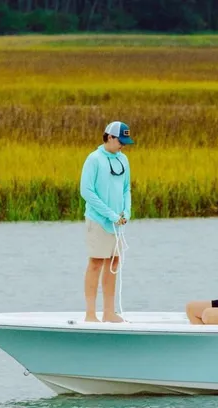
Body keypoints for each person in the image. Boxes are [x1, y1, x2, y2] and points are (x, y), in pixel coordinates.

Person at [80, 121, 133, 323]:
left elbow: (126, 188)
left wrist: (126, 211)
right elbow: (86, 191)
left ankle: (109, 312)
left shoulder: (123, 159)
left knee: (114, 262)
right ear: (110, 137)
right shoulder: (94, 159)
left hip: (117, 223)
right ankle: (90, 314)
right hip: (98, 220)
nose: (123, 145)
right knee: (96, 262)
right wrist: (110, 214)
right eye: (121, 141)